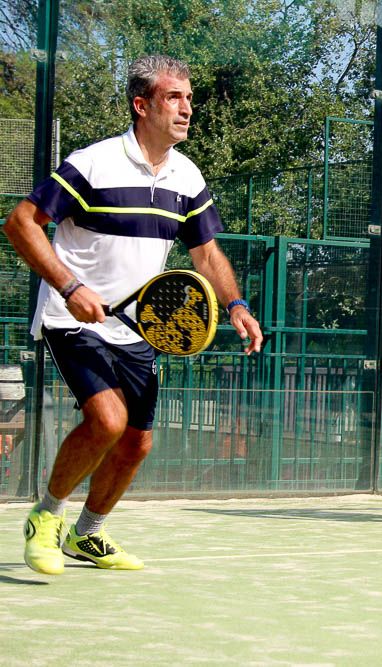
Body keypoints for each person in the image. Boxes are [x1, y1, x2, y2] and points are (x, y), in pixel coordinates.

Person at [4, 55, 263, 575]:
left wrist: (235, 304)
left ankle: (88, 535)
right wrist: (70, 286)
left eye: (189, 98)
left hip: (139, 327)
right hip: (73, 319)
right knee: (108, 420)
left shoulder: (187, 177)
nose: (187, 108)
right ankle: (46, 516)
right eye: (174, 97)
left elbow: (207, 254)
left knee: (138, 442)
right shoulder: (93, 163)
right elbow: (21, 223)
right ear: (141, 104)